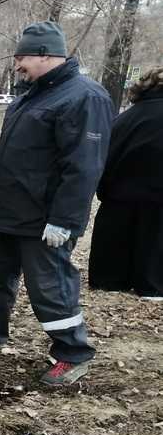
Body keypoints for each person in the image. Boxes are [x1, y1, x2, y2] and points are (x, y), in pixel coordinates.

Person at [0, 21, 114, 386]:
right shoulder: (30, 95)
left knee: (50, 288)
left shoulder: (84, 97)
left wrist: (65, 219)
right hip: (7, 213)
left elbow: (84, 166)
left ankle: (73, 353)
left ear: (45, 54)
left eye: (21, 57)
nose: (16, 65)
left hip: (45, 219)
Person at [89, 67, 163, 300]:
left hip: (117, 199)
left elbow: (102, 157)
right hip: (157, 201)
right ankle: (151, 286)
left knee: (110, 269)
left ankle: (110, 282)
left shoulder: (124, 118)